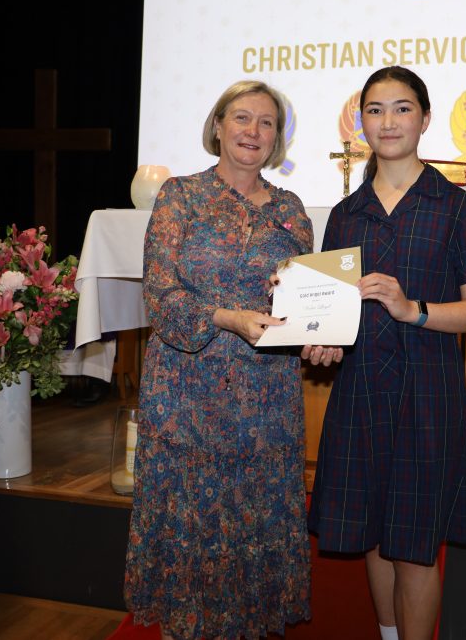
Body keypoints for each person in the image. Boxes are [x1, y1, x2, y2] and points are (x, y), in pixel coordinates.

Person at [124, 80, 335, 640]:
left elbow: (302, 303)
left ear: (277, 138)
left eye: (267, 123)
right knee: (191, 527)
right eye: (242, 118)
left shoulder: (291, 210)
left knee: (256, 521)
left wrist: (321, 336)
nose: (253, 131)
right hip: (186, 395)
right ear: (218, 125)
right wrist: (227, 317)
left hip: (266, 399)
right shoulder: (180, 196)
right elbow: (160, 296)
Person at [305, 66, 466, 640]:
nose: (387, 121)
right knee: (373, 535)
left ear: (425, 118)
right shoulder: (346, 214)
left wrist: (412, 308)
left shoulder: (456, 207)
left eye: (402, 108)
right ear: (360, 122)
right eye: (375, 110)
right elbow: (333, 312)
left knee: (415, 547)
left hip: (428, 394)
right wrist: (317, 336)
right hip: (360, 390)